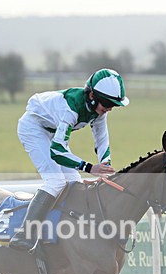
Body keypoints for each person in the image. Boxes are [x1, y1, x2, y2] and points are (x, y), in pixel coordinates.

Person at [9, 68, 130, 251]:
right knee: (56, 182)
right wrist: (89, 167)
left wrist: (105, 166)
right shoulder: (70, 108)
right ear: (91, 95)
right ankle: (25, 234)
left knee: (74, 183)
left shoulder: (98, 111)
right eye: (107, 103)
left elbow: (102, 139)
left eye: (113, 105)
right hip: (33, 129)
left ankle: (65, 233)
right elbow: (57, 151)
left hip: (52, 132)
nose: (109, 109)